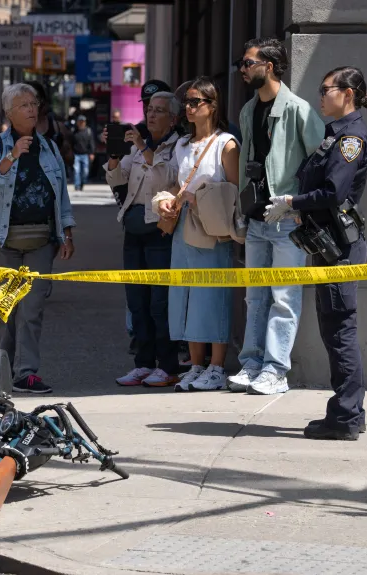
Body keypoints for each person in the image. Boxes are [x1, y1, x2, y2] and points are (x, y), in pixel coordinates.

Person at [263, 67, 367, 440]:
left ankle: (345, 418)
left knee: (340, 330)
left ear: (348, 93)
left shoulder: (351, 139)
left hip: (339, 248)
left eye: (326, 90)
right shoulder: (334, 135)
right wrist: (297, 208)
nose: (321, 96)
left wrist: (294, 201)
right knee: (333, 330)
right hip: (326, 244)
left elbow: (333, 193)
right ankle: (348, 413)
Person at [228, 37, 325, 395]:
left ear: (268, 66)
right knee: (255, 295)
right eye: (242, 62)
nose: (242, 68)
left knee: (284, 295)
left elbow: (321, 161)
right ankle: (251, 364)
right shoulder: (248, 110)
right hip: (256, 217)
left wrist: (301, 205)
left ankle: (275, 370)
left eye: (248, 62)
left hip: (287, 219)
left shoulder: (298, 110)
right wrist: (241, 209)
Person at [0, 83, 76, 395]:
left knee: (32, 310)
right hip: (3, 241)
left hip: (41, 240)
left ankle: (27, 373)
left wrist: (67, 232)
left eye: (34, 103)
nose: (32, 109)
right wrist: (12, 156)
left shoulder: (49, 148)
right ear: (9, 113)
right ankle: (0, 372)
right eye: (24, 105)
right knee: (3, 311)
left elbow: (61, 195)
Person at [153, 77, 240, 391]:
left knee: (212, 294)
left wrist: (199, 197)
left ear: (212, 106)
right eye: (186, 102)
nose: (188, 108)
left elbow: (234, 193)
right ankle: (196, 364)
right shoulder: (182, 144)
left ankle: (217, 366)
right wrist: (167, 200)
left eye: (195, 102)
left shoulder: (225, 144)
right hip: (184, 224)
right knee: (185, 294)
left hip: (212, 226)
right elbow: (178, 184)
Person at [104, 91, 181, 388]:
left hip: (159, 228)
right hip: (133, 226)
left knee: (159, 303)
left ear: (173, 119)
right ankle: (143, 364)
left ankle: (168, 365)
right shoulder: (138, 147)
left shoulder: (177, 146)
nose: (151, 115)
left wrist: (142, 146)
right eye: (149, 109)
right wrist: (113, 155)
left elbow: (167, 179)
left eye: (159, 110)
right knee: (136, 301)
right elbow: (117, 178)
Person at [24, 81, 74, 167]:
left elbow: (70, 159)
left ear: (42, 100)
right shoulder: (13, 129)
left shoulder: (57, 128)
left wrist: (63, 150)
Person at [72, 115, 95, 191]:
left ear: (85, 122)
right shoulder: (74, 131)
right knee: (77, 171)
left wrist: (92, 153)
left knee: (85, 171)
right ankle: (77, 185)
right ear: (77, 122)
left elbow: (91, 143)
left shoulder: (88, 131)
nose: (81, 123)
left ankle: (82, 183)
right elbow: (70, 143)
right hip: (76, 155)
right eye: (80, 121)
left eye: (83, 122)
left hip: (85, 155)